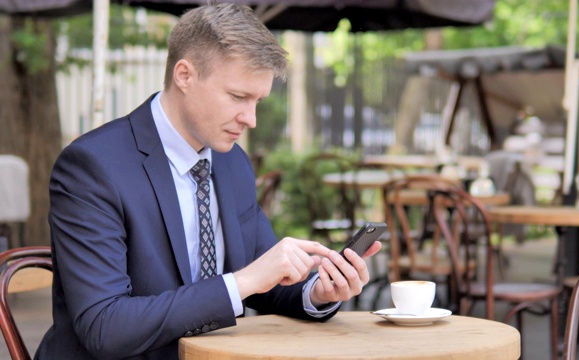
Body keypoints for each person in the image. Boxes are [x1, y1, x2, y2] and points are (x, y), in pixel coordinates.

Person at [35, 4, 381, 359]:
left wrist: (319, 293)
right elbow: (104, 326)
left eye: (258, 100)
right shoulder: (93, 166)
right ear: (184, 75)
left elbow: (267, 284)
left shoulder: (232, 162)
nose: (251, 119)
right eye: (238, 97)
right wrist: (242, 281)